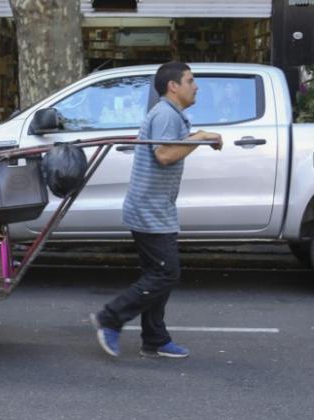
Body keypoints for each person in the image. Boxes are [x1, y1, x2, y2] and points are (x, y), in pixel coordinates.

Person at [90, 62, 223, 358]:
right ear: (173, 86)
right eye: (190, 80)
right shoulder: (165, 114)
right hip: (149, 209)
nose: (196, 85)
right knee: (165, 274)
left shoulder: (171, 114)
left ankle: (155, 339)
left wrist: (197, 137)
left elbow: (169, 149)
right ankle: (110, 318)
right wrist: (200, 138)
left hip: (154, 207)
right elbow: (164, 154)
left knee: (157, 273)